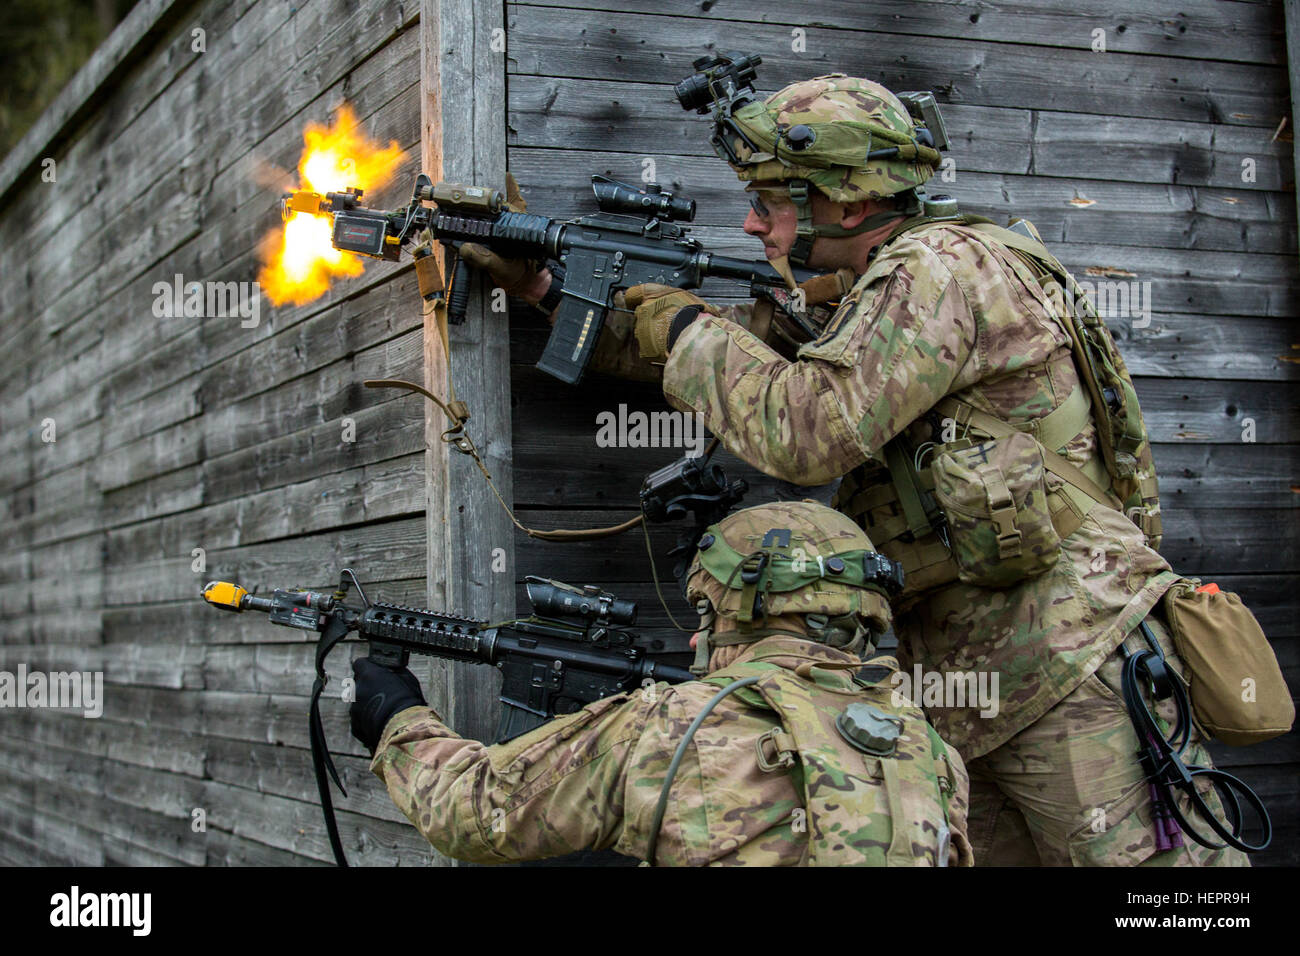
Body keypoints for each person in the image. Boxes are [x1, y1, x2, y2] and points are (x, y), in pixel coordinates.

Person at [463, 72, 1249, 866]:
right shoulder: (866, 294)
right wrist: (543, 285)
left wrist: (691, 325)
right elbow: (716, 357)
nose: (750, 224)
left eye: (770, 203)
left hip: (1070, 665)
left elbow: (805, 429)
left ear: (844, 204)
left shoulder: (940, 270)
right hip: (967, 682)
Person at [351, 501, 973, 866]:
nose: (699, 640)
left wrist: (397, 716)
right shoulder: (929, 751)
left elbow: (478, 813)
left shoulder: (669, 725)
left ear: (749, 610)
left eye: (708, 615)